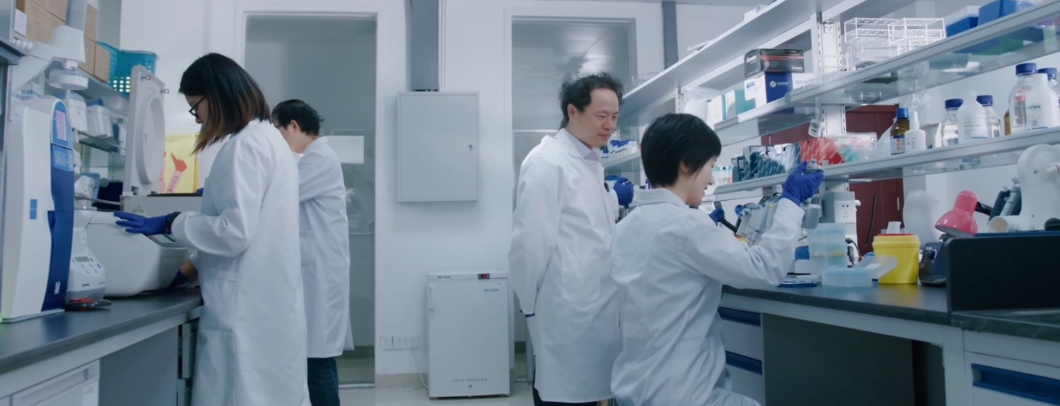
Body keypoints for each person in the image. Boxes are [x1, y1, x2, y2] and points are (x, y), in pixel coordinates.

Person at [113, 53, 309, 406]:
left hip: (244, 311)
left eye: (196, 107)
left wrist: (172, 221)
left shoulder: (245, 146)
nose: (198, 118)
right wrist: (190, 268)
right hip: (268, 306)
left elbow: (234, 232)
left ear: (216, 96)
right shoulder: (269, 140)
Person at [609, 113, 824, 406]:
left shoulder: (625, 228)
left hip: (635, 392)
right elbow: (766, 268)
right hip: (682, 396)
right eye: (710, 166)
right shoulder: (685, 224)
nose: (711, 179)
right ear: (686, 164)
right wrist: (791, 201)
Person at [509, 72, 624, 406]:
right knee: (562, 395)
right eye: (601, 116)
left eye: (615, 117)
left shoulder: (590, 161)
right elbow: (529, 247)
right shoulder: (548, 163)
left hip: (593, 313)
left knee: (588, 392)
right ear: (573, 111)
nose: (609, 125)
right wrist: (531, 309)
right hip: (565, 316)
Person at [273, 99, 353, 406]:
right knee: (316, 359)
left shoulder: (320, 158)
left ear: (293, 125)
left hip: (321, 274)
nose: (278, 139)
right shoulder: (312, 158)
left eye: (278, 130)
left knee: (318, 360)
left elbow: (281, 195)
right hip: (316, 270)